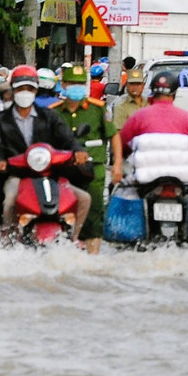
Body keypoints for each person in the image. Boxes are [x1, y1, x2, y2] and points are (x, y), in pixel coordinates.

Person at [0, 65, 92, 242]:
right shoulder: (0, 120)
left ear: (36, 90)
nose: (25, 92)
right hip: (17, 175)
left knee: (84, 198)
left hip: (50, 175)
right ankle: (10, 239)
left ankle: (73, 239)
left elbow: (67, 138)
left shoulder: (50, 116)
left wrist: (78, 151)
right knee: (9, 201)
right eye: (20, 88)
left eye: (30, 88)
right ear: (13, 89)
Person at [55, 64, 121, 254]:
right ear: (63, 84)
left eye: (79, 83)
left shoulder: (98, 109)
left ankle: (93, 256)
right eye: (71, 82)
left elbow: (114, 135)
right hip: (63, 169)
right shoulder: (55, 111)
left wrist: (116, 165)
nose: (76, 86)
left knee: (95, 210)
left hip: (94, 169)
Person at [118, 69, 188, 169]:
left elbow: (123, 144)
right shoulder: (186, 118)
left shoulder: (139, 116)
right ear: (174, 93)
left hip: (145, 173)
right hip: (180, 175)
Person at [110, 67, 149, 134]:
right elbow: (119, 132)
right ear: (127, 85)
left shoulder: (149, 102)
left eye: (138, 84)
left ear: (143, 85)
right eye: (132, 84)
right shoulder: (121, 105)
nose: (135, 87)